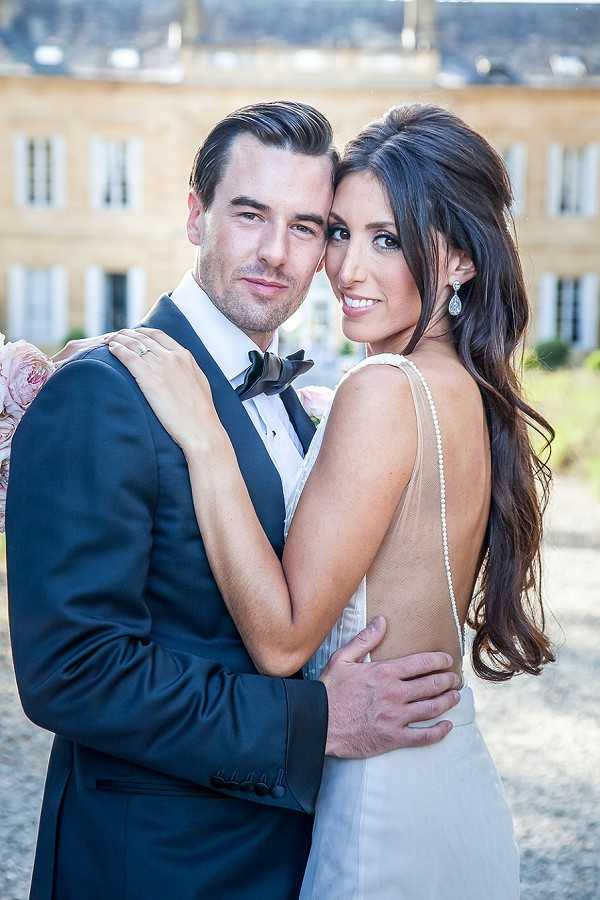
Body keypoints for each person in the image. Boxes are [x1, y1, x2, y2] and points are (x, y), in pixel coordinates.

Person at [6, 102, 460, 900]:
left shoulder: (302, 406)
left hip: (288, 859)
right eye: (250, 215)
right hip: (153, 867)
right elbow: (72, 672)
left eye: (307, 226)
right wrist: (316, 721)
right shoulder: (102, 391)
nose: (276, 252)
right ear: (196, 216)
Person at [106, 104, 556, 899]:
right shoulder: (464, 386)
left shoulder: (383, 388)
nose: (346, 268)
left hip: (381, 808)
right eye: (340, 232)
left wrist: (206, 436)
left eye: (388, 239)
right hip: (448, 784)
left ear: (459, 259)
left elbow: (283, 644)